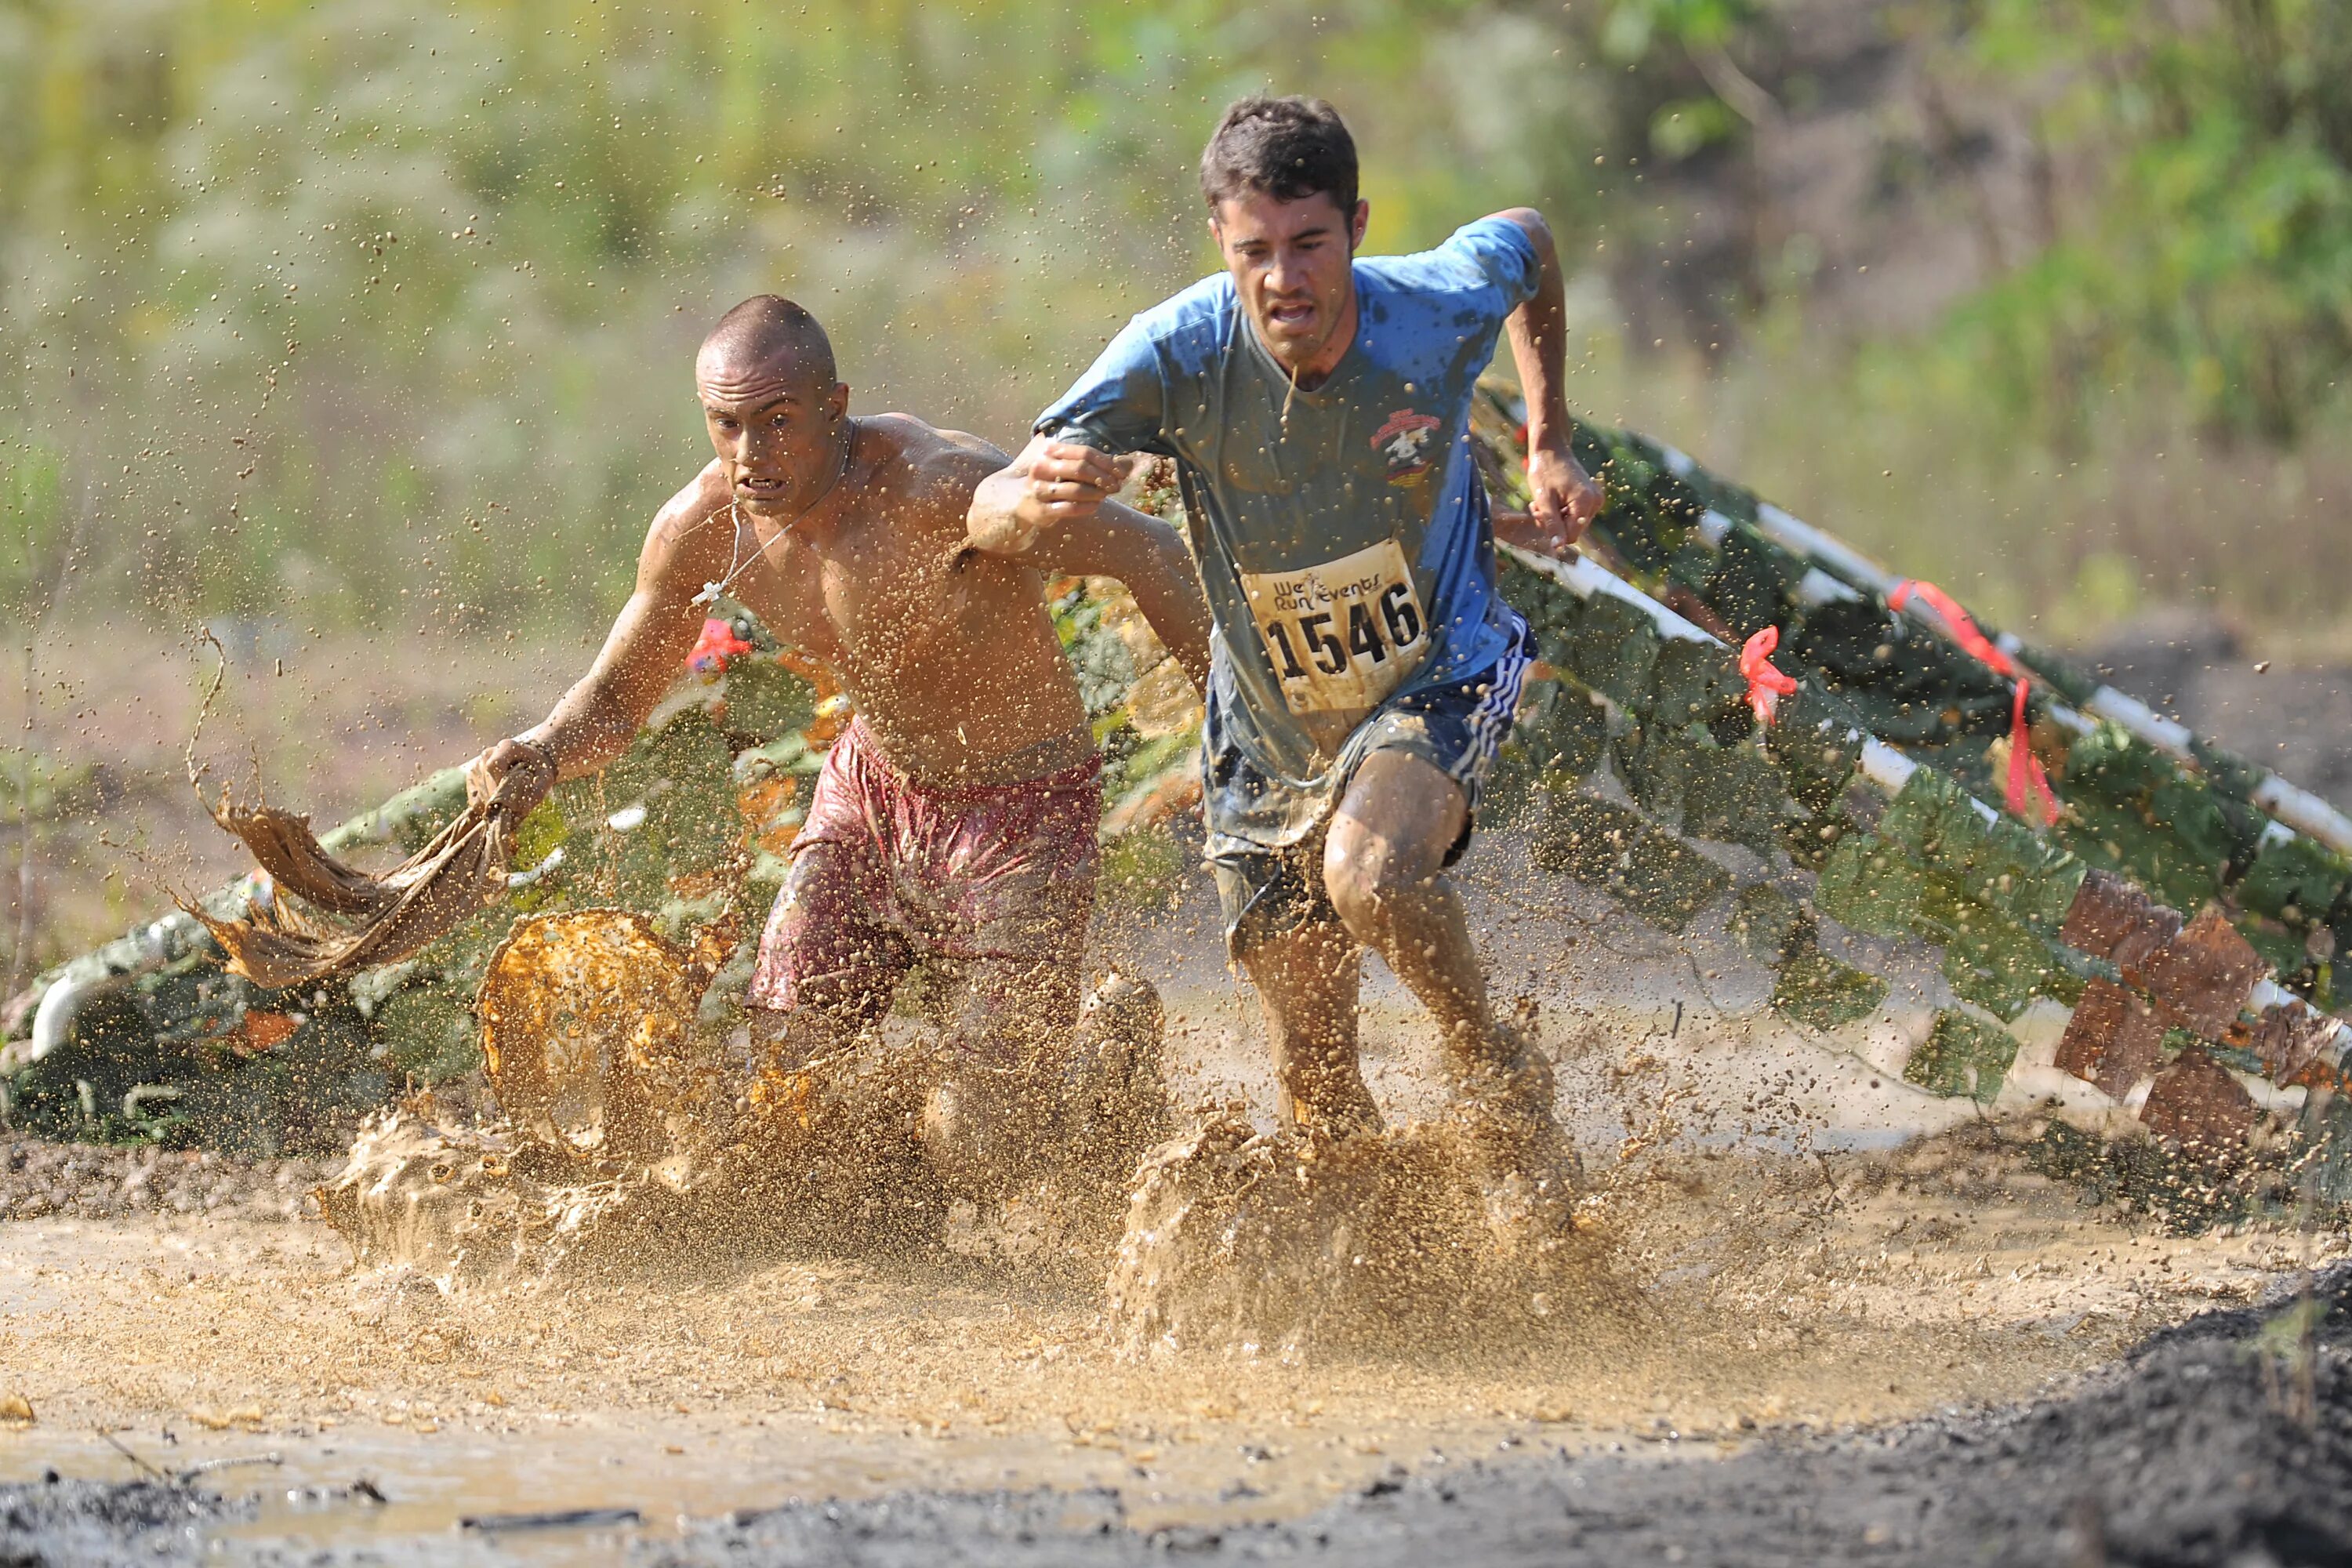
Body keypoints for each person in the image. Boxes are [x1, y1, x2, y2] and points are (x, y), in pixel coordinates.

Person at [968, 96, 1602, 1218]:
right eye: (1255, 250)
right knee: (1313, 1075)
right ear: (1221, 241)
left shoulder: (1437, 307)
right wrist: (1033, 504)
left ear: (1354, 226)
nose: (1285, 281)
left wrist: (1549, 436)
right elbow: (992, 509)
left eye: (1310, 244)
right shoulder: (1173, 352)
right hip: (1264, 726)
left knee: (1372, 876)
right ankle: (1392, 1284)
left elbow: (1531, 238)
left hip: (1436, 671)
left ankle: (1496, 1074)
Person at [467, 296, 1212, 1195]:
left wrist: (1239, 733)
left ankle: (1100, 1070)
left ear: (834, 407)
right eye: (727, 425)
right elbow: (620, 698)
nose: (752, 455)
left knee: (981, 1144)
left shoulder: (938, 485)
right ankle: (895, 1194)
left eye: (777, 423)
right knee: (783, 1095)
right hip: (872, 793)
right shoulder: (706, 525)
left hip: (1022, 813)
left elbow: (1155, 553)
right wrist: (542, 751)